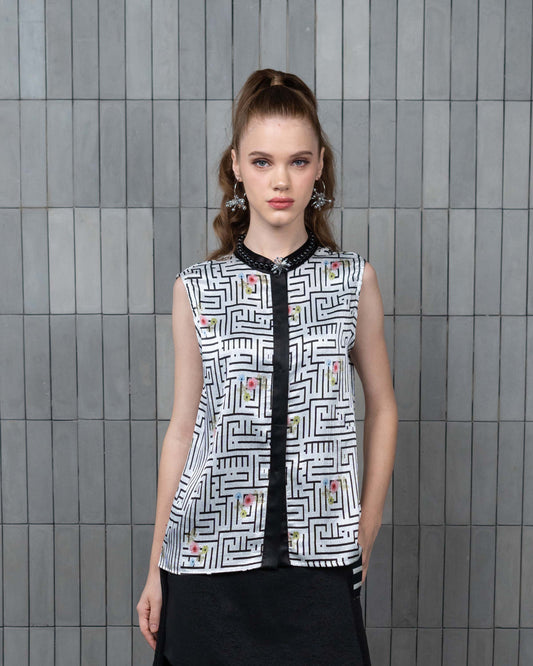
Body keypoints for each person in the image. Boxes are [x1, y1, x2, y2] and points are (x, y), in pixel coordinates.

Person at [137, 68, 397, 665]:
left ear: (320, 166)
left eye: (298, 161)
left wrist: (366, 525)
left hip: (320, 563)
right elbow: (182, 430)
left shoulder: (352, 281)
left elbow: (384, 407)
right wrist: (155, 568)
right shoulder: (196, 289)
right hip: (204, 560)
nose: (281, 180)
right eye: (262, 161)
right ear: (236, 166)